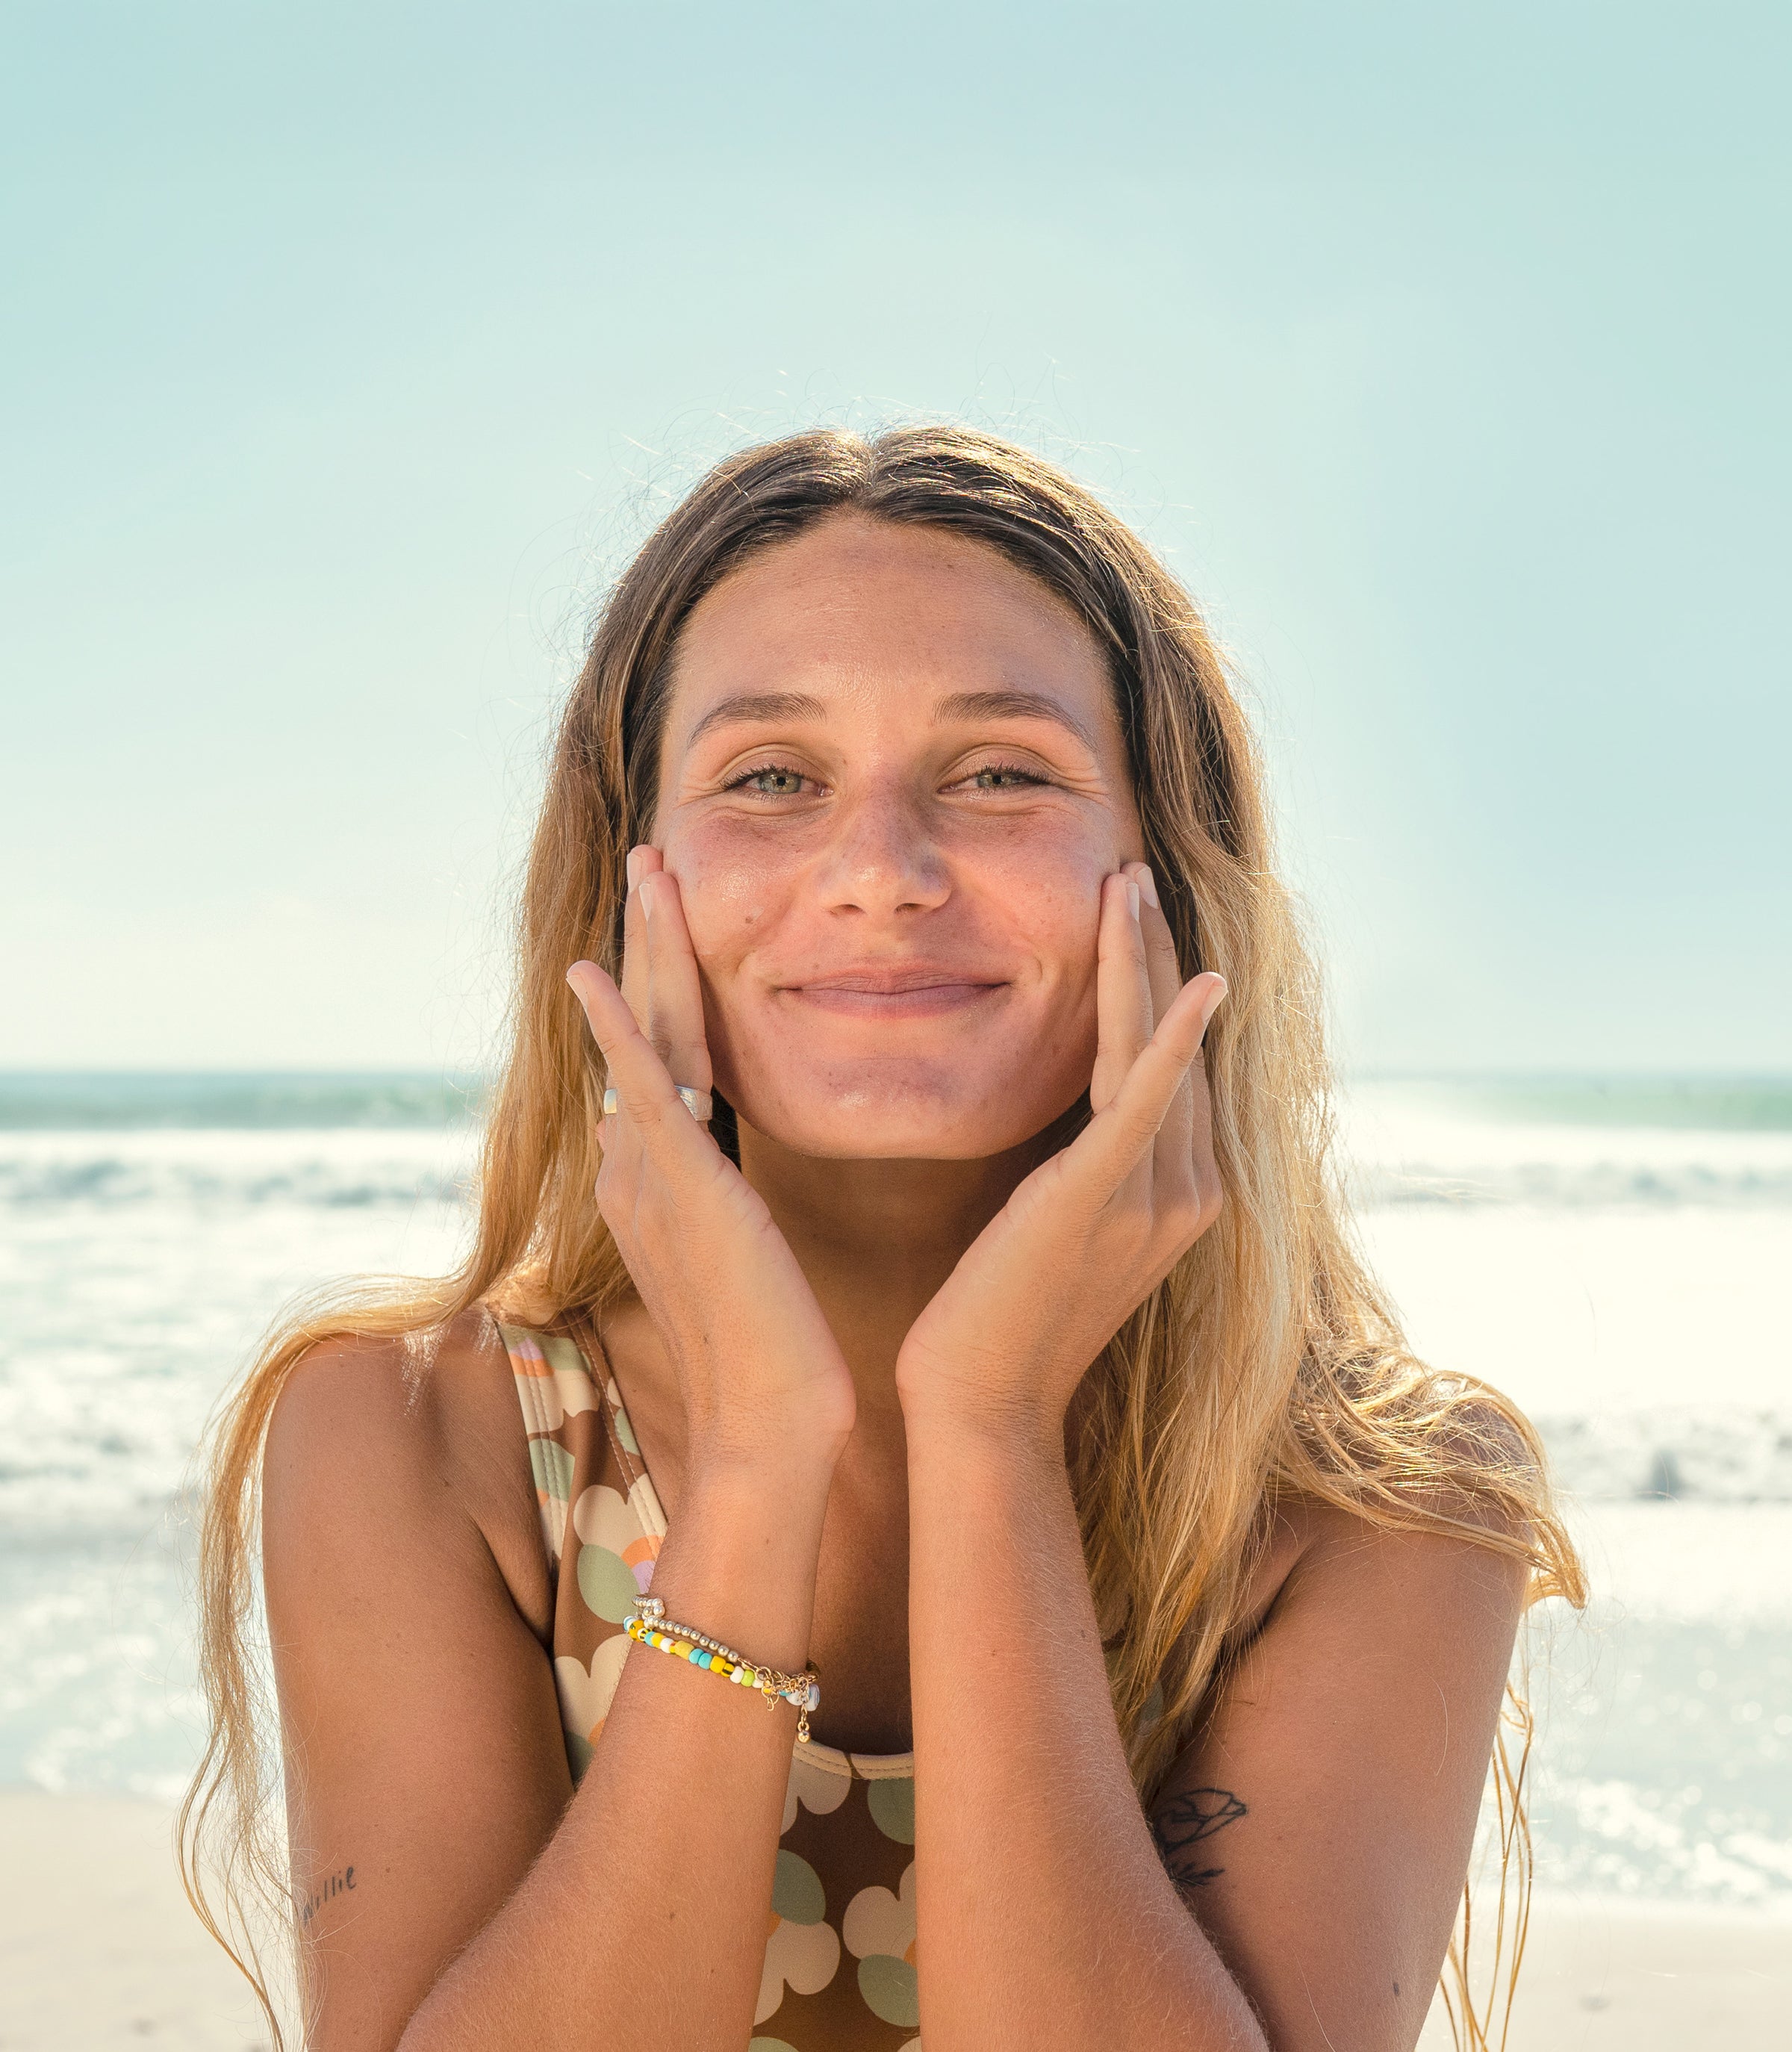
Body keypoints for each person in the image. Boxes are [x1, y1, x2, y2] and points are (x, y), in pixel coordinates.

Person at [181, 426, 1583, 2052]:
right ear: (630, 882)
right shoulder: (423, 1439)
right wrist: (767, 1457)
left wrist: (987, 1433)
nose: (882, 875)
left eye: (1002, 774)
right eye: (772, 778)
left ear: (1170, 875)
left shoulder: (1376, 1504)